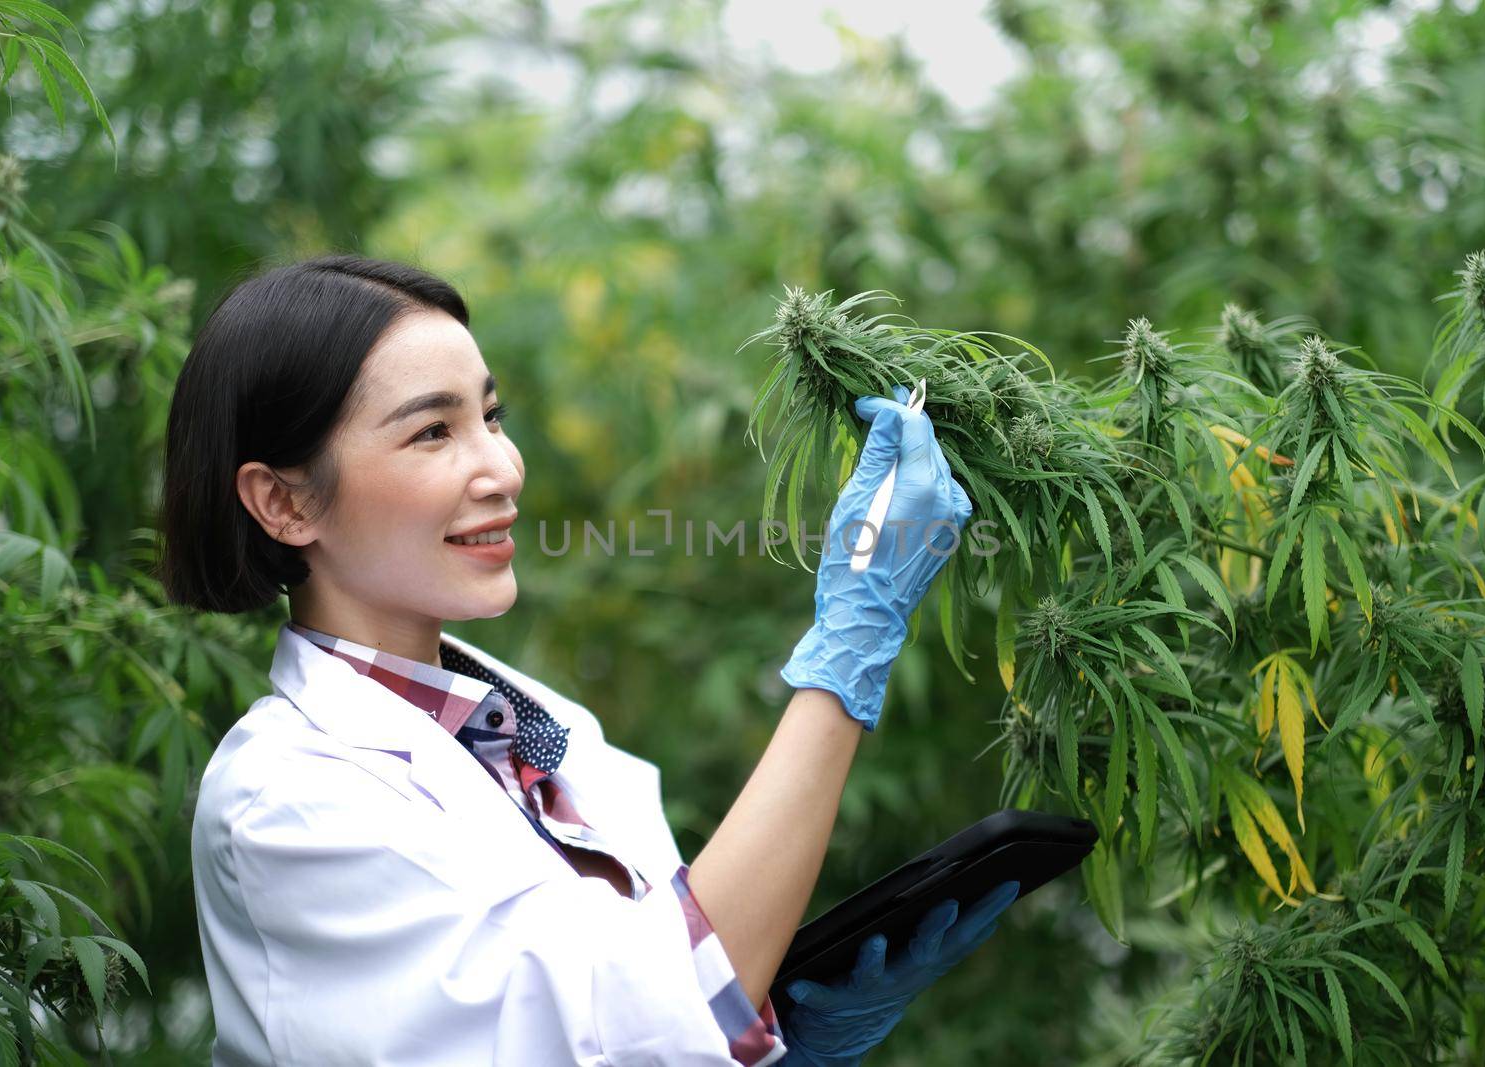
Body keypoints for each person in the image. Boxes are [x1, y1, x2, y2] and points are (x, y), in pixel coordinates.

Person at [159, 254, 1018, 1065]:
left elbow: (659, 1019)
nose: (501, 466)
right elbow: (645, 1013)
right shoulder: (286, 802)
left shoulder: (543, 734)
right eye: (433, 431)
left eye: (490, 416)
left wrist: (782, 1033)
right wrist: (848, 651)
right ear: (283, 500)